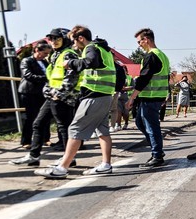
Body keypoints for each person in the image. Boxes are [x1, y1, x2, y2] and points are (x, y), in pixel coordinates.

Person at [34, 25, 117, 178]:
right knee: (103, 130)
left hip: (94, 95)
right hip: (105, 95)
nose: (73, 45)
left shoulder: (90, 48)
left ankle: (62, 168)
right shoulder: (105, 50)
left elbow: (90, 62)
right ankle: (106, 164)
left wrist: (71, 63)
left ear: (80, 38)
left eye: (74, 41)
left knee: (75, 129)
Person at [10, 29, 80, 167]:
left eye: (56, 38)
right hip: (53, 96)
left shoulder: (68, 54)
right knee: (38, 123)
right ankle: (34, 156)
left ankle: (69, 159)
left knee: (63, 127)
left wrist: (58, 95)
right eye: (51, 39)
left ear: (65, 39)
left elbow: (72, 76)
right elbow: (51, 77)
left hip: (62, 97)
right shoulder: (56, 55)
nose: (53, 42)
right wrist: (49, 91)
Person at [126, 28, 171, 169]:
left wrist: (132, 98)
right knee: (140, 122)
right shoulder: (162, 55)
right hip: (154, 96)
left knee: (151, 126)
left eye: (139, 41)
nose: (139, 44)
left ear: (146, 40)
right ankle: (156, 148)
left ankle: (157, 155)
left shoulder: (151, 56)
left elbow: (144, 79)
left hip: (151, 97)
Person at [17, 42, 50, 148]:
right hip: (29, 92)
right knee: (30, 117)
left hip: (42, 92)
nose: (46, 55)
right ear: (37, 50)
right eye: (45, 53)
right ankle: (26, 141)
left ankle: (45, 139)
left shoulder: (45, 63)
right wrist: (45, 78)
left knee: (45, 116)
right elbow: (28, 75)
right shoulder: (27, 61)